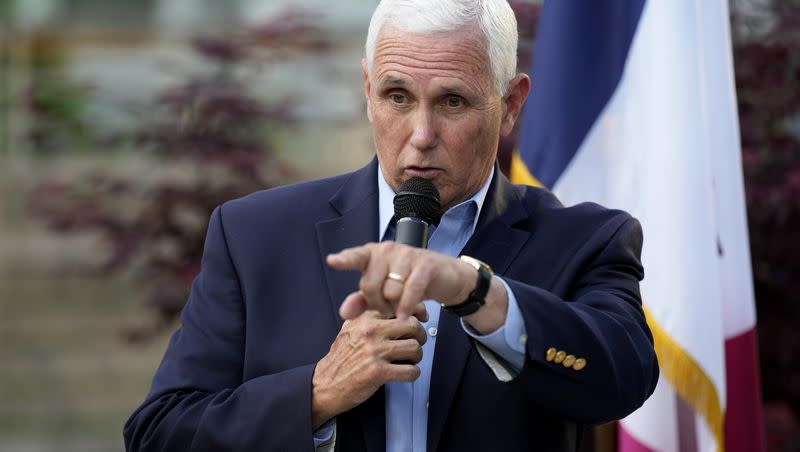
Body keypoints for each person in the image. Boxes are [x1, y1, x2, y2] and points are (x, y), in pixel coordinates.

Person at [124, 0, 659, 450]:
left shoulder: (586, 240)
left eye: (452, 101)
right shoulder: (254, 235)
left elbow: (624, 378)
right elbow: (159, 434)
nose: (421, 135)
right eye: (397, 97)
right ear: (367, 89)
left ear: (511, 104)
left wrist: (477, 294)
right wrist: (315, 394)